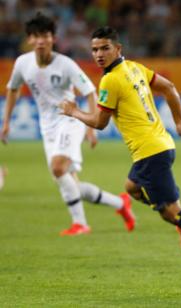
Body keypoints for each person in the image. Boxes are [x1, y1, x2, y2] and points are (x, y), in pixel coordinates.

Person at [60, 26, 181, 261]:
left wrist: (73, 111)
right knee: (131, 187)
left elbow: (99, 122)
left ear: (117, 48)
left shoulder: (110, 80)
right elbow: (169, 88)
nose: (99, 54)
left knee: (172, 211)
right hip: (161, 145)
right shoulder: (135, 68)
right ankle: (178, 218)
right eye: (94, 50)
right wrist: (179, 120)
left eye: (105, 48)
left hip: (149, 152)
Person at [1, 13, 135, 236]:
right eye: (36, 36)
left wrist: (91, 128)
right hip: (48, 127)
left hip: (70, 121)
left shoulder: (66, 65)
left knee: (57, 167)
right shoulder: (23, 63)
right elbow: (12, 89)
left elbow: (90, 92)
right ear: (30, 39)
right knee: (69, 182)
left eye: (45, 35)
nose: (41, 40)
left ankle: (80, 224)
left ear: (53, 38)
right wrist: (6, 122)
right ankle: (120, 204)